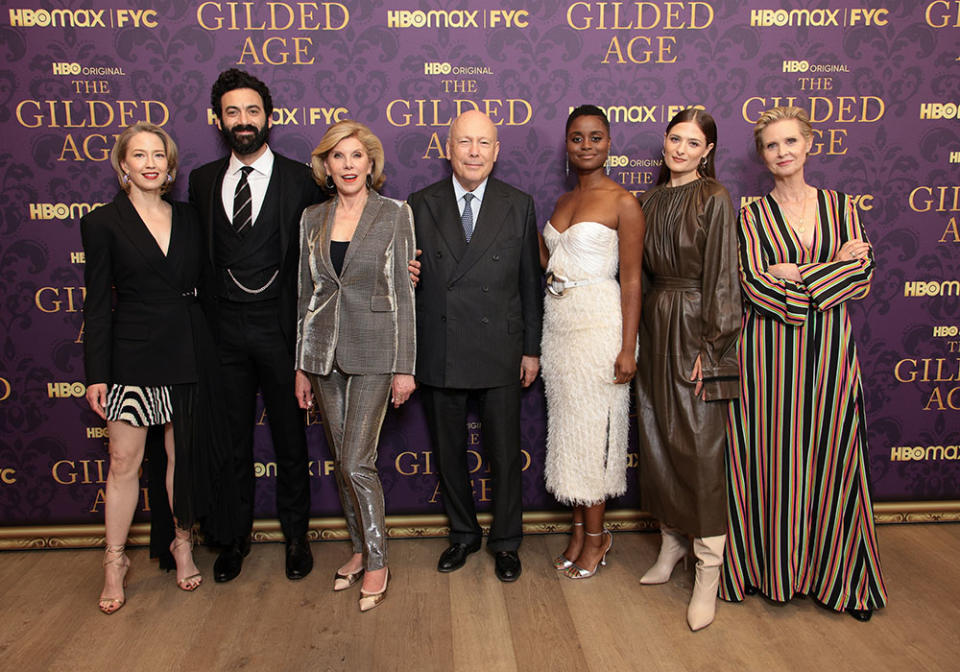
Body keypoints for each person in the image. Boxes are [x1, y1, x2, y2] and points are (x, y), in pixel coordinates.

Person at [721, 106, 887, 622]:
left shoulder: (841, 206)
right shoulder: (749, 214)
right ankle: (771, 574)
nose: (782, 152)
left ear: (809, 144)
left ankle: (844, 583)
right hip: (768, 361)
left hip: (832, 359)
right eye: (771, 145)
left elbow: (861, 277)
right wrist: (831, 269)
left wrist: (806, 275)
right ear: (762, 155)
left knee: (835, 461)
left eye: (790, 141)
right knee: (772, 463)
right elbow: (756, 288)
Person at [83, 122, 227, 612]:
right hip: (133, 355)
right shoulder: (103, 221)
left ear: (169, 166)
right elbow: (98, 305)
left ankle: (181, 544)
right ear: (123, 164)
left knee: (180, 459)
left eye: (158, 155)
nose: (149, 163)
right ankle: (114, 559)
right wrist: (96, 374)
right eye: (139, 154)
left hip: (188, 348)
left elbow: (207, 287)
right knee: (123, 461)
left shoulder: (188, 217)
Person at [188, 68, 323, 582]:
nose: (242, 121)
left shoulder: (302, 180)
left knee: (291, 441)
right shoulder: (201, 181)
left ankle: (296, 538)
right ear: (218, 120)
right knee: (231, 442)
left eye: (251, 111)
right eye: (232, 112)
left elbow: (330, 254)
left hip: (282, 329)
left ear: (269, 117)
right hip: (222, 331)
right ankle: (233, 538)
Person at [407, 110, 543, 582]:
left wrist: (531, 348)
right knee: (449, 452)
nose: (474, 152)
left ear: (497, 151)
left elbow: (530, 282)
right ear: (448, 148)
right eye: (465, 142)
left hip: (500, 347)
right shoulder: (419, 203)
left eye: (484, 143)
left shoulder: (519, 203)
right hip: (441, 344)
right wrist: (405, 275)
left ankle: (506, 541)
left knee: (504, 454)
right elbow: (404, 277)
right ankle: (463, 535)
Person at [293, 120, 416, 612]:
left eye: (356, 156)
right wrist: (301, 365)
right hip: (322, 354)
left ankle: (379, 559)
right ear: (326, 165)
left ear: (371, 164)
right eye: (338, 157)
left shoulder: (394, 214)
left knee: (355, 461)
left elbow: (405, 293)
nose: (347, 165)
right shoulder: (310, 218)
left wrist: (405, 366)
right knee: (342, 462)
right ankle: (360, 547)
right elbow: (307, 295)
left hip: (375, 351)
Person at [635, 108, 741, 631]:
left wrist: (714, 347)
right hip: (655, 327)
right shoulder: (647, 200)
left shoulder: (716, 198)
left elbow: (723, 275)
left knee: (700, 451)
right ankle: (671, 547)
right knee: (657, 442)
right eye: (675, 138)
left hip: (697, 325)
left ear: (707, 151)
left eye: (692, 142)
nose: (680, 148)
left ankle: (708, 574)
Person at [539, 105, 644, 579]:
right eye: (577, 137)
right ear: (567, 144)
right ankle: (580, 532)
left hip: (600, 328)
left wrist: (627, 347)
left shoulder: (623, 201)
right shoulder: (561, 202)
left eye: (596, 137)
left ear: (609, 143)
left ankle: (598, 540)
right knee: (569, 435)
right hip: (558, 328)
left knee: (594, 436)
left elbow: (633, 280)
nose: (586, 145)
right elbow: (546, 265)